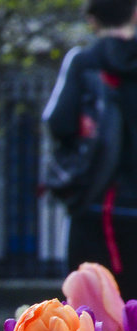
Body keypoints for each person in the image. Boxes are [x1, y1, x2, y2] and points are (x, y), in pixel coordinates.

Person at [44, 0, 137, 296]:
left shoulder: (83, 61)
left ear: (92, 20)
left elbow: (58, 121)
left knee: (91, 315)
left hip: (94, 205)